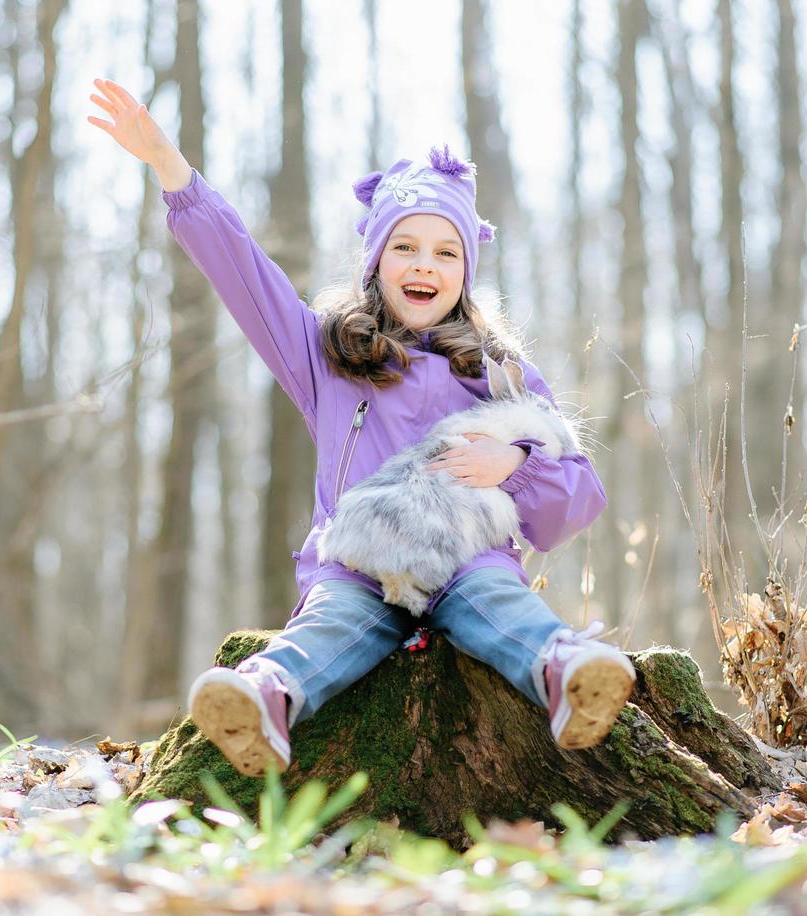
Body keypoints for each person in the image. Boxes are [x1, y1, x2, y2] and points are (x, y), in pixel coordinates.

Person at [87, 77, 634, 777]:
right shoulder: (329, 357)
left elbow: (575, 500)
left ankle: (568, 675)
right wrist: (173, 172)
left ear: (465, 272)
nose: (423, 266)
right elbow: (244, 276)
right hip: (358, 563)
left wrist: (515, 463)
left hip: (469, 560)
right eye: (405, 247)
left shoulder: (501, 376)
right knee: (329, 625)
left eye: (445, 253)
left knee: (500, 605)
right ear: (376, 260)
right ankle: (264, 700)